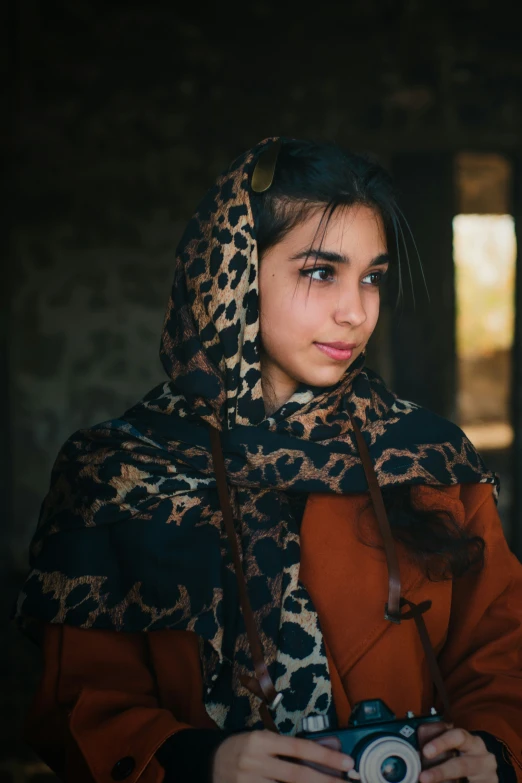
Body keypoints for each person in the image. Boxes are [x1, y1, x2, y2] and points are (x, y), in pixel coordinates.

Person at [15, 138, 522, 783]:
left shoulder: (426, 458)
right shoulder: (119, 473)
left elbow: (502, 653)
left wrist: (495, 750)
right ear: (233, 275)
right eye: (320, 271)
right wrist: (205, 762)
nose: (356, 310)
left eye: (372, 277)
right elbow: (78, 702)